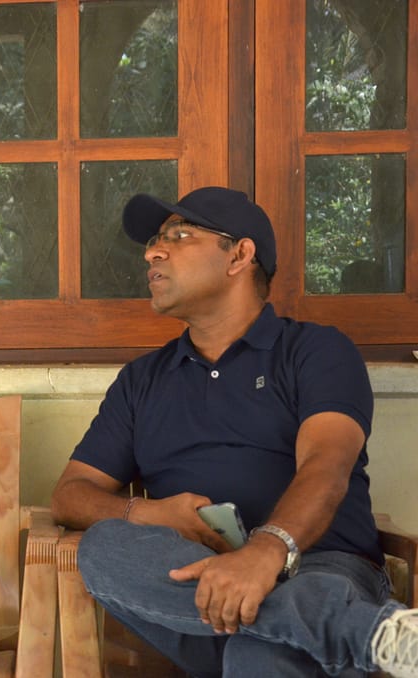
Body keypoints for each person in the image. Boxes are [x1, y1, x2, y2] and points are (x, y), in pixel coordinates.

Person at [50, 186, 418, 677]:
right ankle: (363, 633)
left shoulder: (316, 351)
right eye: (156, 240)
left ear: (240, 255)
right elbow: (71, 495)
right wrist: (148, 513)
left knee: (260, 654)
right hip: (192, 583)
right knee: (105, 546)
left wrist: (265, 553)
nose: (153, 252)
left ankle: (317, 621)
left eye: (179, 235)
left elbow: (327, 465)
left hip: (318, 565)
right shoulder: (142, 380)